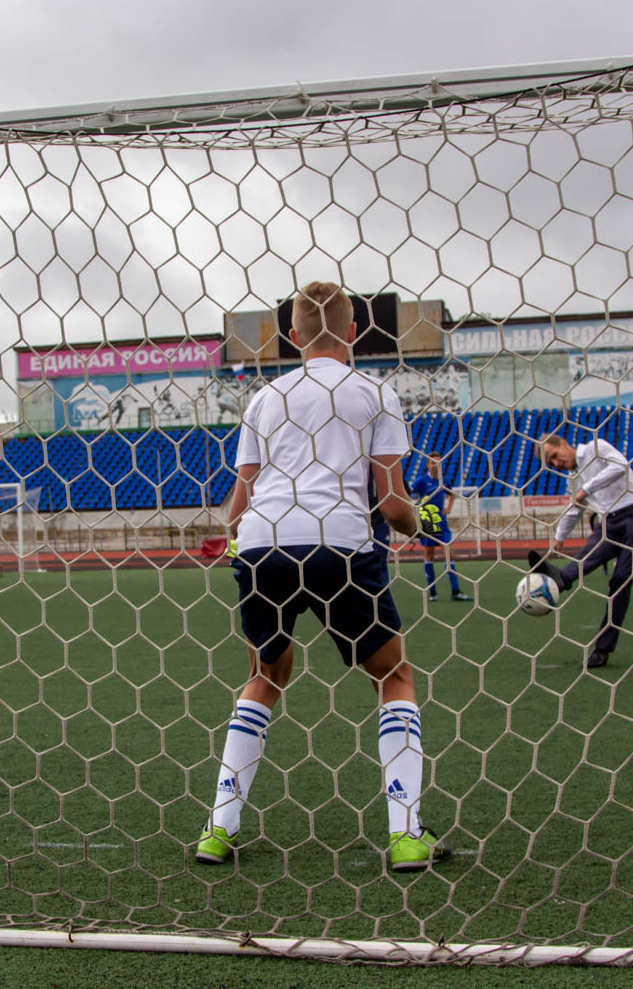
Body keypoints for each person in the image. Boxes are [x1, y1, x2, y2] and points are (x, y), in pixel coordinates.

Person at [198, 281, 451, 873]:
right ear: (355, 332)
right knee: (393, 674)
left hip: (263, 544)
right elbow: (392, 506)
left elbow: (236, 511)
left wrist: (251, 548)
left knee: (265, 677)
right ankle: (407, 833)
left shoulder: (265, 399)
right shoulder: (374, 393)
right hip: (339, 541)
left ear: (292, 337)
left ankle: (218, 828)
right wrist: (423, 522)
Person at [526, 434, 633, 669]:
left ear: (564, 443)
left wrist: (586, 488)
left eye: (554, 456)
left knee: (620, 581)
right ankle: (559, 580)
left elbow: (620, 466)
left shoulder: (597, 447)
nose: (556, 463)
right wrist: (559, 538)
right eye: (551, 463)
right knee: (586, 557)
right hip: (609, 523)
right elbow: (575, 509)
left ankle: (602, 650)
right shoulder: (573, 479)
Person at [410, 452, 470, 602]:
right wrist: (414, 510)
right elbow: (407, 494)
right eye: (432, 463)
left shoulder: (445, 481)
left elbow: (451, 494)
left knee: (450, 553)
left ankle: (455, 592)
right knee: (430, 555)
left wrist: (448, 507)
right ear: (427, 465)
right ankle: (432, 592)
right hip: (428, 521)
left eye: (438, 462)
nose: (436, 465)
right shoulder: (421, 481)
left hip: (442, 522)